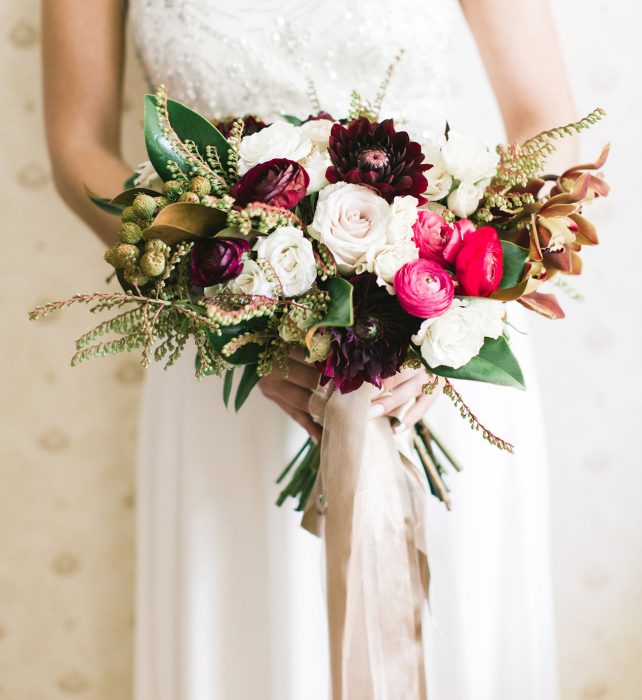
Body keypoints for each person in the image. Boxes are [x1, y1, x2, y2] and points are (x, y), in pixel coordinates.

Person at [42, 1, 577, 697]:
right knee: (247, 642)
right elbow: (76, 146)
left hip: (440, 338)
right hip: (221, 346)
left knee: (455, 637)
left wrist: (453, 280)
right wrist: (226, 298)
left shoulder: (444, 320)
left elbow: (548, 120)